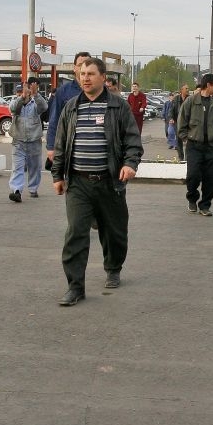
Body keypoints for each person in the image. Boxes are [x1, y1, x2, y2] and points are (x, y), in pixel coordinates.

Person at [52, 57, 143, 305]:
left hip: (109, 182)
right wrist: (57, 175)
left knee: (114, 231)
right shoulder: (71, 107)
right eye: (82, 74)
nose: (85, 78)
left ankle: (113, 268)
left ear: (103, 77)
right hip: (78, 184)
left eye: (91, 73)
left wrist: (129, 163)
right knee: (75, 234)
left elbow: (133, 142)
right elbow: (61, 144)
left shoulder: (118, 107)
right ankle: (75, 287)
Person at [178, 73, 213, 216]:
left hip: (212, 147)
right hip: (194, 146)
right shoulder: (191, 102)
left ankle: (205, 205)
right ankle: (192, 198)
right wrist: (185, 137)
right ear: (208, 85)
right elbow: (182, 121)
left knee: (210, 178)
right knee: (193, 175)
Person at [46, 51, 91, 162]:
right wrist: (51, 147)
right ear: (74, 68)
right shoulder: (63, 92)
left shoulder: (100, 91)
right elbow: (54, 120)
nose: (83, 68)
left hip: (93, 148)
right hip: (69, 147)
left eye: (87, 64)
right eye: (80, 65)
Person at [8, 78, 48, 202]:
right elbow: (13, 109)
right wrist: (21, 98)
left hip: (34, 140)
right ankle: (17, 191)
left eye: (23, 92)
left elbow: (44, 107)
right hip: (18, 141)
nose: (21, 94)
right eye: (19, 92)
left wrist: (36, 94)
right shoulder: (15, 103)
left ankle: (33, 188)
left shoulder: (35, 103)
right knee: (17, 167)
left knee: (34, 167)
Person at [170, 83, 190, 160]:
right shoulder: (176, 99)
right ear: (181, 90)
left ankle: (187, 158)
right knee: (179, 140)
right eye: (186, 88)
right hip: (177, 122)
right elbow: (171, 110)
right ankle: (181, 157)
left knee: (188, 140)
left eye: (188, 88)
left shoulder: (190, 98)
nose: (188, 90)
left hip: (188, 123)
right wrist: (171, 118)